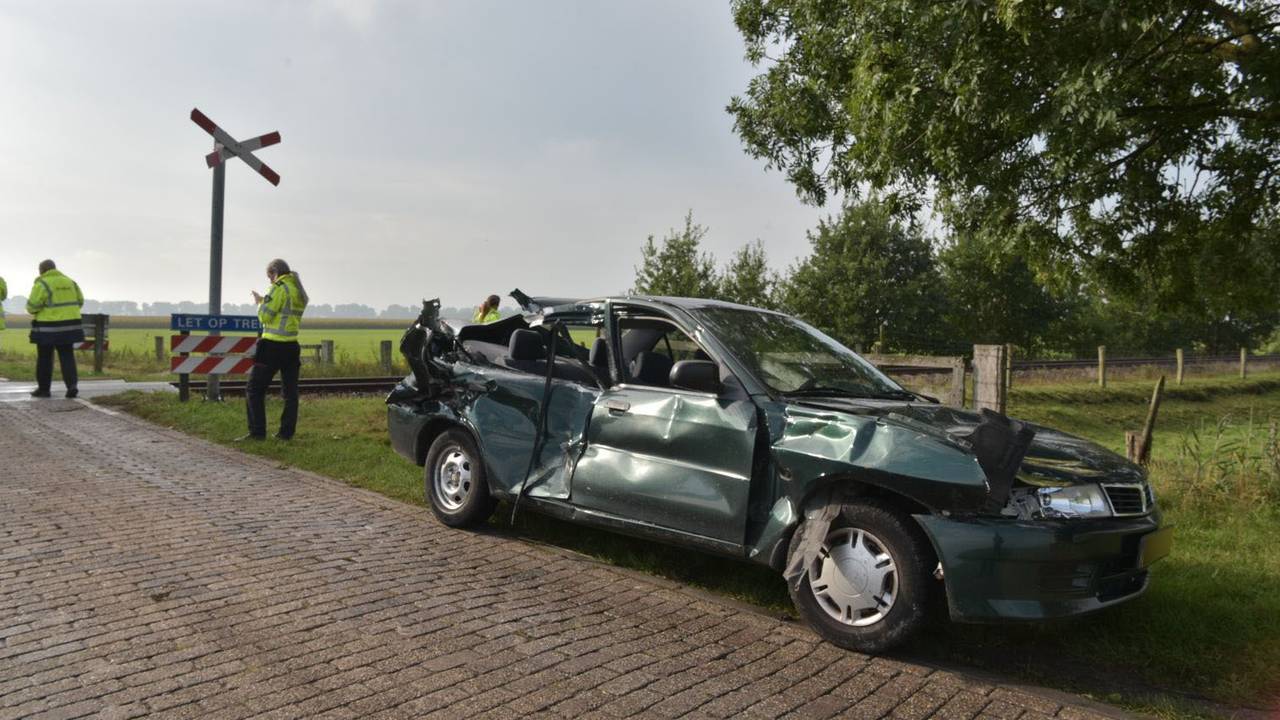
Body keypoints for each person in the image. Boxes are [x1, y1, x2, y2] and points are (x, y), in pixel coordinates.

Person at [241, 258, 309, 441]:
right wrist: (266, 301)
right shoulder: (298, 290)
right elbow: (282, 312)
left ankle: (257, 432)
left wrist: (260, 303)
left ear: (275, 272)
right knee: (290, 394)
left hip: (272, 346)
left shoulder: (278, 288)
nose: (269, 281)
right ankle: (286, 434)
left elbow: (265, 317)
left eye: (269, 276)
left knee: (254, 389)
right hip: (291, 346)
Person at [26, 260, 84, 399]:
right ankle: (72, 386)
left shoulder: (42, 283)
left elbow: (32, 307)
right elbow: (80, 301)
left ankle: (44, 390)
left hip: (47, 328)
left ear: (42, 270)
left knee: (45, 358)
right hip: (70, 327)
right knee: (67, 356)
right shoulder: (71, 282)